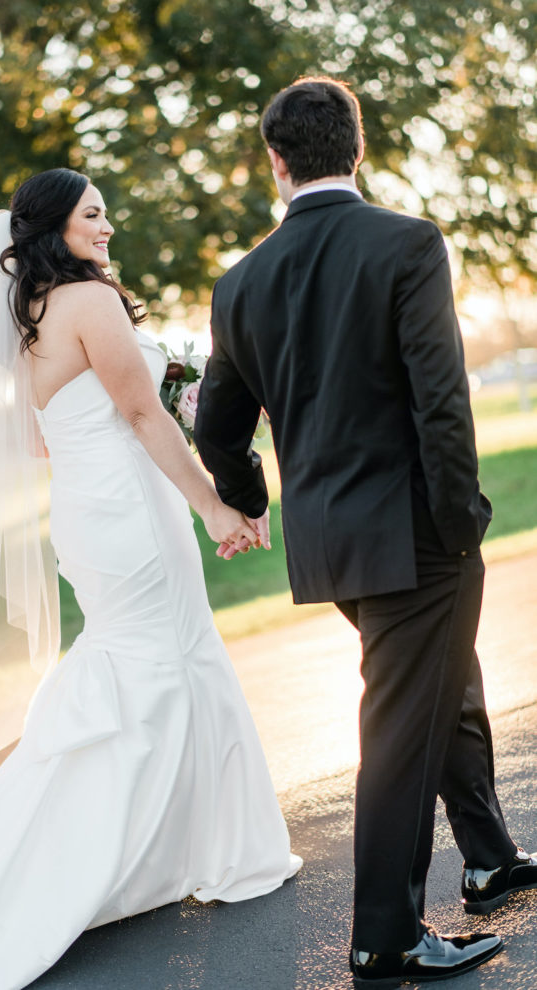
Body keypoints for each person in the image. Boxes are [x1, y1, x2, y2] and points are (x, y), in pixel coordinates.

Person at [0, 168, 301, 989]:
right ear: (54, 227)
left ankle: (176, 844)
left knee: (146, 661)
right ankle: (205, 849)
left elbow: (47, 440)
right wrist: (214, 507)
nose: (108, 227)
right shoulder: (92, 302)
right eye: (93, 214)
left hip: (90, 511)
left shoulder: (30, 315)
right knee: (168, 659)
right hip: (132, 514)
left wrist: (142, 426)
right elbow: (141, 413)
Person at [194, 77, 537, 987]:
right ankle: (383, 937)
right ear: (359, 145)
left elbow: (218, 427)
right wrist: (463, 523)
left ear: (276, 163)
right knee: (400, 723)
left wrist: (254, 497)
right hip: (419, 534)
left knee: (439, 679)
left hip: (329, 546)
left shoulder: (240, 281)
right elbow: (442, 401)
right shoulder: (407, 242)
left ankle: (490, 858)